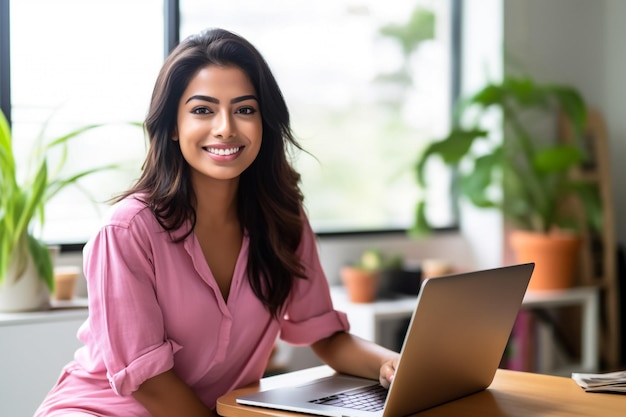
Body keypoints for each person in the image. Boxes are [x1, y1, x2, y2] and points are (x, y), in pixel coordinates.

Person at [34, 28, 400, 417]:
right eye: (202, 110)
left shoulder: (284, 219)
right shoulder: (126, 231)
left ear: (264, 123)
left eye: (244, 109)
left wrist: (392, 365)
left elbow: (326, 336)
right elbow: (150, 383)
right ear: (173, 127)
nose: (225, 127)